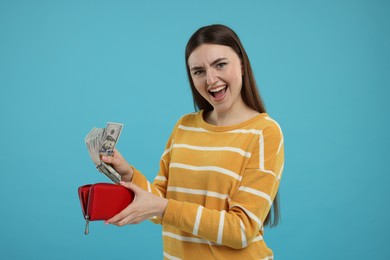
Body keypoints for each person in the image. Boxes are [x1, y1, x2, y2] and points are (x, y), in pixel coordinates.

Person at [102, 24, 284, 260]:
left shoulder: (264, 132)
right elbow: (160, 210)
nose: (211, 79)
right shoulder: (184, 126)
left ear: (241, 63)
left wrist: (165, 208)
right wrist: (128, 174)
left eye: (220, 64)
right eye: (198, 71)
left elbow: (240, 230)